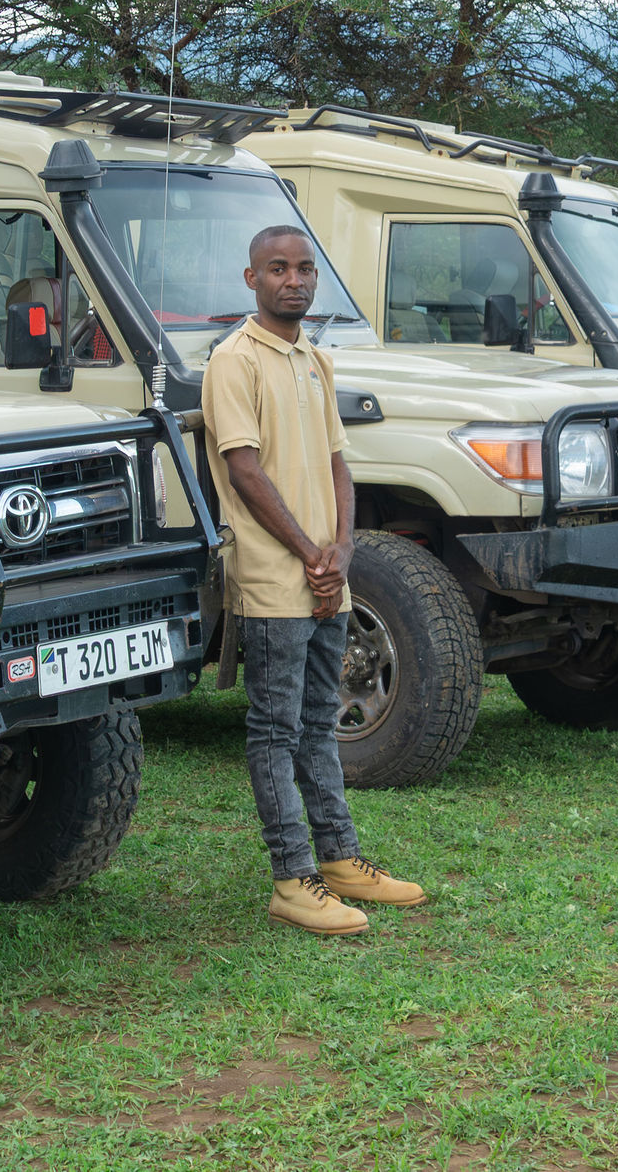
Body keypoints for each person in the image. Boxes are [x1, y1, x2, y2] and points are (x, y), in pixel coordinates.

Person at [201, 225, 426, 934]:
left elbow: (337, 464)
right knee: (275, 730)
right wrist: (309, 553)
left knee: (318, 722)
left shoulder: (314, 360)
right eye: (277, 269)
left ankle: (339, 860)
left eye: (303, 269)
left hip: (327, 575)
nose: (293, 280)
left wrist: (344, 549)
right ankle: (291, 880)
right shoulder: (233, 361)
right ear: (252, 279)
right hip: (275, 579)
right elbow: (244, 470)